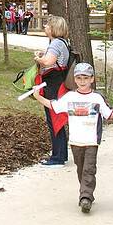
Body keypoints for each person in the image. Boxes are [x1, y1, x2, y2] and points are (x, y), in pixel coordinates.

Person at [30, 62, 113, 214]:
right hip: (75, 141)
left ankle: (86, 197)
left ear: (92, 79)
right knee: (81, 168)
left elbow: (109, 115)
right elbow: (53, 106)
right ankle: (85, 191)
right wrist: (38, 96)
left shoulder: (97, 98)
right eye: (79, 78)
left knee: (89, 169)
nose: (82, 81)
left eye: (86, 78)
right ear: (74, 79)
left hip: (91, 141)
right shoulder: (69, 97)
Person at [33, 15, 73, 166]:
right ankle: (59, 153)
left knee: (54, 119)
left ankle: (58, 157)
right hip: (58, 82)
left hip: (54, 84)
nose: (45, 27)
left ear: (53, 28)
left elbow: (48, 62)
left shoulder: (56, 43)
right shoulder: (62, 42)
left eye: (47, 25)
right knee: (57, 119)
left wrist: (38, 58)